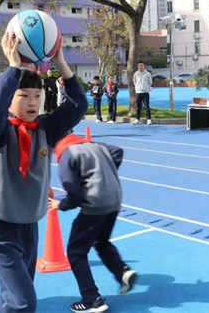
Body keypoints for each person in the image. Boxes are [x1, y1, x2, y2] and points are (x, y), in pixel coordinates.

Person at [0, 31, 87, 312]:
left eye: (37, 96)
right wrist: (13, 68)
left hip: (29, 224)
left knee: (13, 297)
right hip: (0, 227)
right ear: (10, 98)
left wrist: (62, 64)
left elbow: (77, 107)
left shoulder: (45, 128)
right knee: (24, 301)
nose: (31, 102)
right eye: (24, 95)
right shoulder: (0, 131)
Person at [49, 133, 138, 313]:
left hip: (95, 204)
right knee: (101, 241)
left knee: (76, 252)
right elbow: (117, 151)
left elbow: (75, 196)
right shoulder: (92, 144)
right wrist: (105, 175)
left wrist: (61, 204)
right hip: (114, 199)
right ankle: (122, 271)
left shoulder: (66, 154)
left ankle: (92, 300)